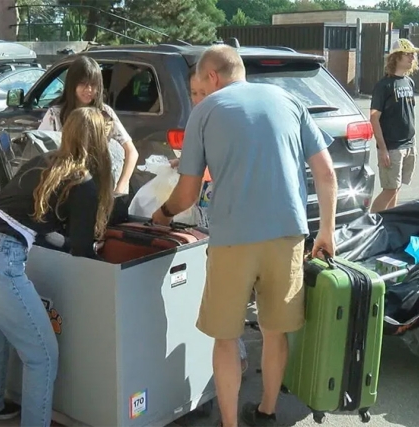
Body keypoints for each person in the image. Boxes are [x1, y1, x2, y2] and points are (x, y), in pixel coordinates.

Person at [151, 45, 338, 427]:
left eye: (197, 85)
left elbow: (186, 195)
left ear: (212, 77)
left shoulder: (205, 111)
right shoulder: (290, 100)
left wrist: (162, 214)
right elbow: (327, 174)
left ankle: (230, 423)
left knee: (224, 337)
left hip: (232, 240)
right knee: (273, 332)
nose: (197, 94)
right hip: (288, 235)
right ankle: (267, 411)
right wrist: (327, 231)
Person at [0, 107, 114, 427]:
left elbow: (32, 222)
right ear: (98, 142)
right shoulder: (82, 181)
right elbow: (81, 248)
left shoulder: (45, 162)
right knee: (42, 356)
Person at [170, 65, 249, 374]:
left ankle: (232, 359)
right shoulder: (205, 120)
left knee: (223, 297)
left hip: (225, 226)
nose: (199, 99)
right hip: (208, 219)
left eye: (204, 92)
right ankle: (217, 359)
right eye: (194, 93)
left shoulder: (221, 120)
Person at [39, 55, 138, 195]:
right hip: (65, 190)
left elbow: (132, 151)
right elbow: (41, 153)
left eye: (94, 84)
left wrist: (121, 186)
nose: (89, 89)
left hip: (101, 187)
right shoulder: (55, 115)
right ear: (72, 84)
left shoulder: (105, 113)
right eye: (83, 83)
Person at [369, 38, 419, 213]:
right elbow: (374, 118)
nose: (412, 58)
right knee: (390, 188)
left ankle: (391, 222)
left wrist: (412, 141)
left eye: (413, 54)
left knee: (396, 187)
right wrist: (383, 149)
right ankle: (369, 224)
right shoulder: (384, 86)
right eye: (408, 54)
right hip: (392, 147)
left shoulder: (409, 82)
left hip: (408, 144)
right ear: (396, 57)